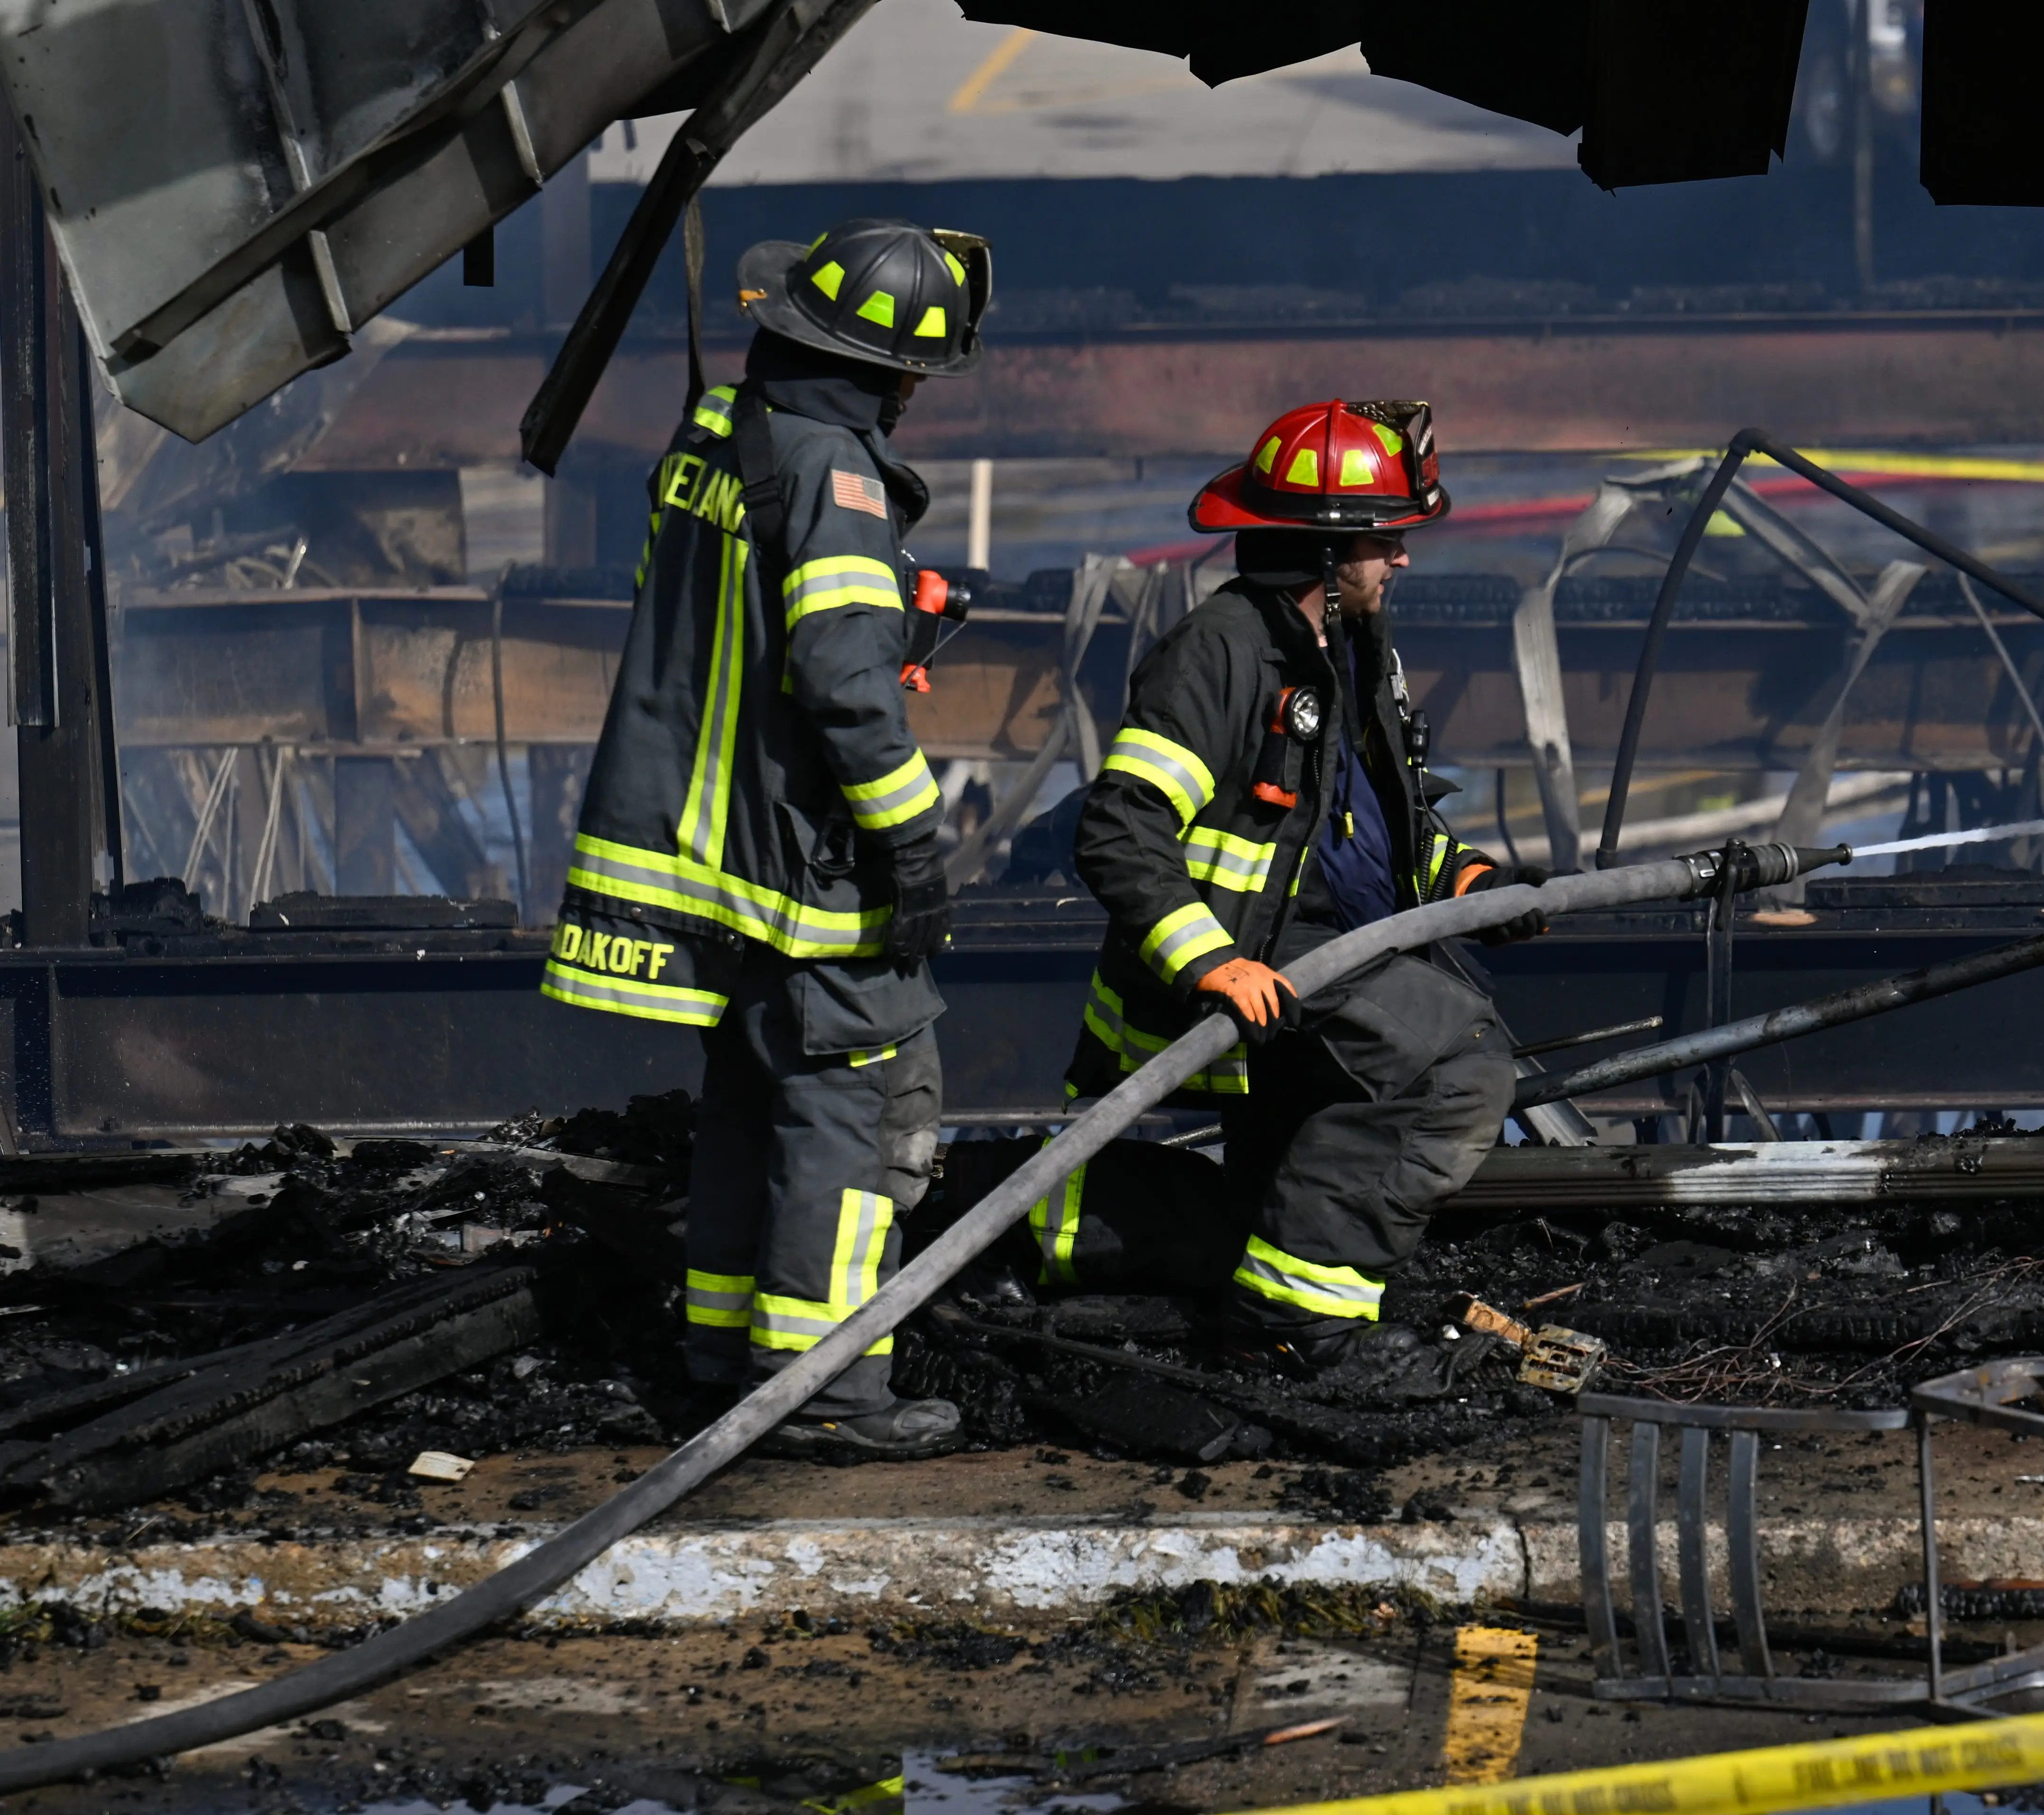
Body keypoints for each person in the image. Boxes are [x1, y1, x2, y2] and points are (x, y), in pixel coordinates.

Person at [539, 215, 992, 1460]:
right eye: (915, 374)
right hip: (805, 859)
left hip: (715, 843)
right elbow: (844, 681)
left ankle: (721, 1357)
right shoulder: (835, 473)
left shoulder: (720, 436)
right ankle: (831, 1390)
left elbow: (742, 629)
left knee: (748, 1096)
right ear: (889, 369)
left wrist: (884, 606)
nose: (914, 397)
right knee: (853, 1105)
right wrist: (911, 846)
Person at [1029, 398, 1545, 1374]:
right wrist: (1210, 963)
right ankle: (1296, 1331)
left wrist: (1465, 876)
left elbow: (1366, 823)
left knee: (1287, 1178)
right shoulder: (1220, 655)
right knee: (1457, 1065)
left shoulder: (1351, 648)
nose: (1401, 560)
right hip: (1254, 962)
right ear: (1323, 550)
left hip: (1316, 950)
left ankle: (1247, 1291)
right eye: (1385, 541)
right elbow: (1121, 828)